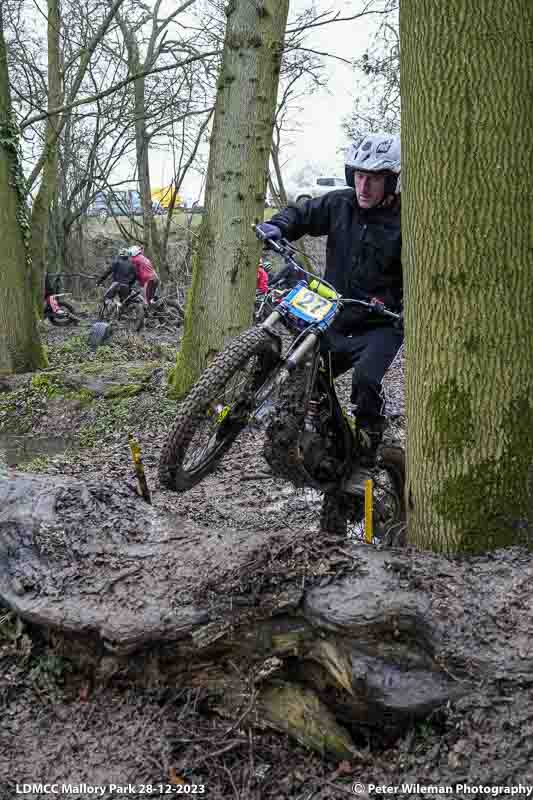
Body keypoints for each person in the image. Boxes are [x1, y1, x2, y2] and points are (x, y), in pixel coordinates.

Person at [255, 133, 403, 463]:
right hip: (336, 315)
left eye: (374, 180)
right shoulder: (340, 204)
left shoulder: (406, 222)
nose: (364, 187)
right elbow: (302, 214)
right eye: (359, 177)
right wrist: (277, 226)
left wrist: (405, 309)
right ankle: (325, 437)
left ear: (391, 182)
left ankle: (369, 447)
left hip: (381, 324)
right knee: (306, 370)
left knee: (365, 381)